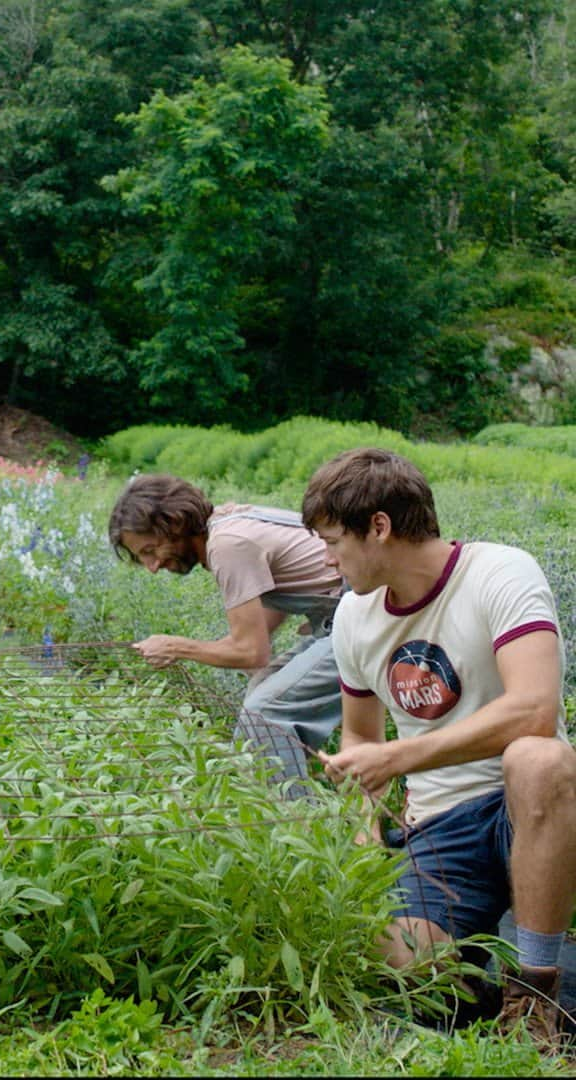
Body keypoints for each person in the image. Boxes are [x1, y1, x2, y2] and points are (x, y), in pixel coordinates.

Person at [301, 447, 576, 1046]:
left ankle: (535, 994)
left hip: (524, 804)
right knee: (388, 953)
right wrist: (361, 829)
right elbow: (360, 737)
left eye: (332, 543)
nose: (326, 561)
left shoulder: (500, 572)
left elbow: (535, 708)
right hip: (441, 822)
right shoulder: (353, 616)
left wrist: (397, 759)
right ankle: (499, 983)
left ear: (379, 527)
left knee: (539, 756)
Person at [108, 474, 344, 790]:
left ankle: (295, 823)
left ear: (174, 524)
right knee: (262, 693)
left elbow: (251, 651)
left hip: (367, 617)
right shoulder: (228, 526)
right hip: (343, 617)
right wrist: (262, 672)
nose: (152, 566)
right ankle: (290, 789)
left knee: (265, 714)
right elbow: (259, 638)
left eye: (151, 550)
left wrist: (176, 647)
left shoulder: (226, 545)